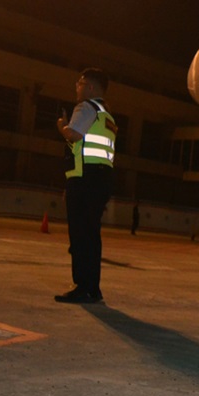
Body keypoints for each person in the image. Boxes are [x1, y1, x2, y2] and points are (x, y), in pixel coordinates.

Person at [55, 68, 116, 304]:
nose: (76, 87)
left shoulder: (85, 107)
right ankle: (92, 288)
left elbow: (74, 135)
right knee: (91, 235)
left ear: (90, 87)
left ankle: (82, 286)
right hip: (101, 178)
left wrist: (61, 125)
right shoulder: (106, 114)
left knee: (80, 234)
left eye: (80, 83)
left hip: (85, 179)